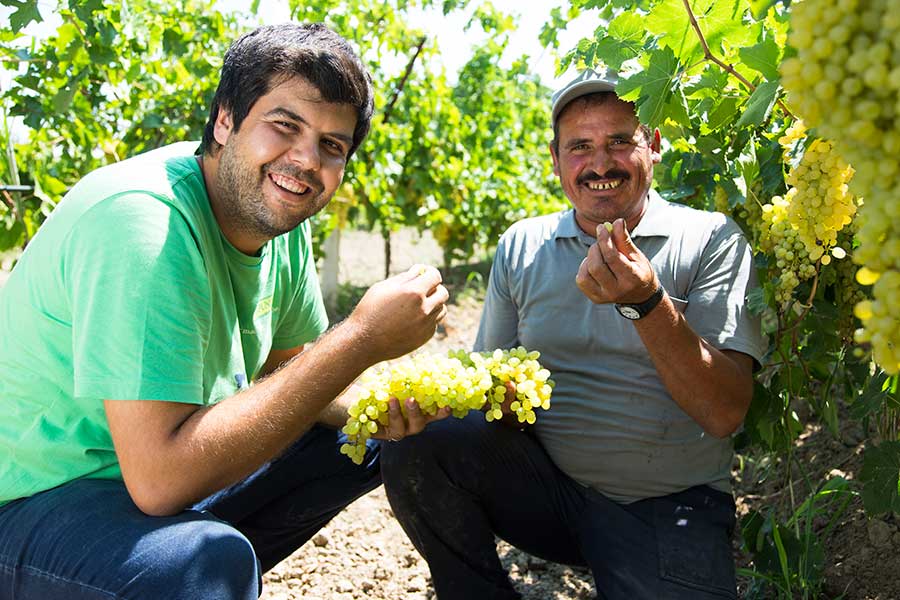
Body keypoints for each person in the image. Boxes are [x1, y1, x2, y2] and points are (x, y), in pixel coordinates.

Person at [0, 23, 450, 599]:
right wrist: (361, 336)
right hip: (34, 498)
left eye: (332, 146)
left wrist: (395, 403)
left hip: (133, 486)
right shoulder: (143, 223)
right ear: (224, 120)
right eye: (285, 126)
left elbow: (295, 366)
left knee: (361, 438)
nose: (307, 160)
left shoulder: (276, 218)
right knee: (196, 565)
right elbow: (158, 482)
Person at [381, 67, 767, 599]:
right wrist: (503, 401)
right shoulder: (522, 246)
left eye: (619, 142)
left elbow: (725, 412)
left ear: (653, 146)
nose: (600, 163)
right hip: (548, 497)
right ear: (556, 159)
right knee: (420, 448)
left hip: (669, 504)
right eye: (580, 147)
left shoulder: (711, 239)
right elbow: (484, 388)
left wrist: (647, 304)